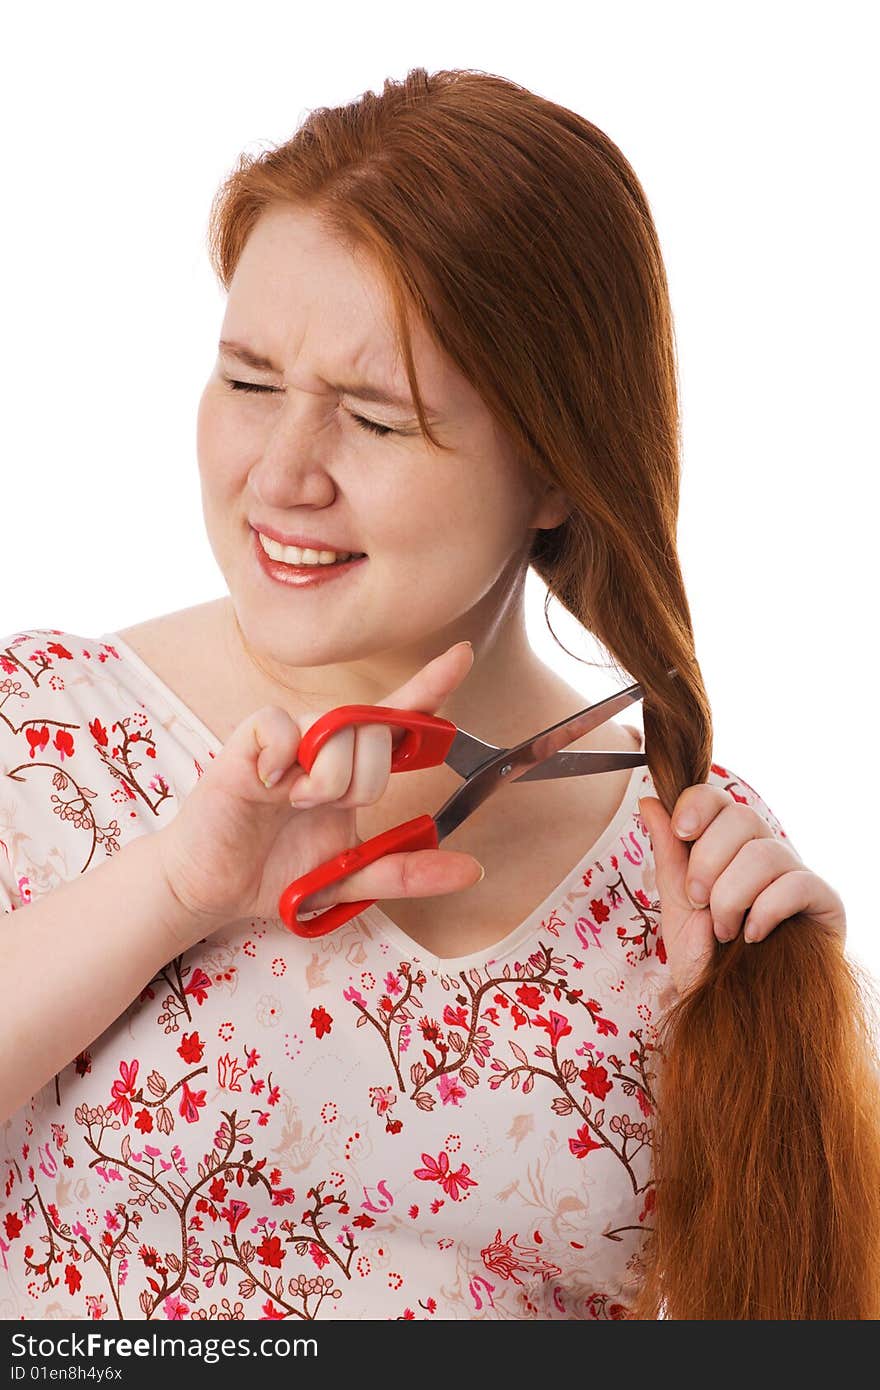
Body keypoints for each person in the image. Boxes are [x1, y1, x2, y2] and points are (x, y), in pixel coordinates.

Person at [0, 67, 875, 1322]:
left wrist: (791, 1061)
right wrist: (172, 891)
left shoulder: (688, 877)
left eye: (377, 417)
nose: (283, 474)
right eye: (249, 383)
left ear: (556, 470)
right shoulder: (40, 735)